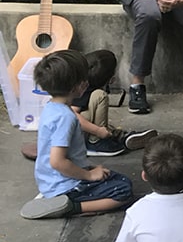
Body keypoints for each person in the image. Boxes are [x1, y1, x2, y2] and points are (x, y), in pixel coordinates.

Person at [19, 50, 134, 220]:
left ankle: (62, 198)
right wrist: (88, 175)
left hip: (49, 181)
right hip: (65, 186)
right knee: (124, 189)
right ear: (77, 87)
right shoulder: (65, 118)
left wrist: (89, 170)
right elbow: (57, 161)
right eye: (84, 79)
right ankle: (71, 207)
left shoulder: (51, 107)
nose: (87, 82)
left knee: (112, 176)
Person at [74, 50, 157, 156]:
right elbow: (72, 115)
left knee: (96, 109)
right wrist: (97, 131)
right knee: (99, 96)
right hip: (70, 133)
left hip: (70, 130)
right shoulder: (84, 87)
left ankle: (117, 135)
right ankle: (96, 141)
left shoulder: (84, 79)